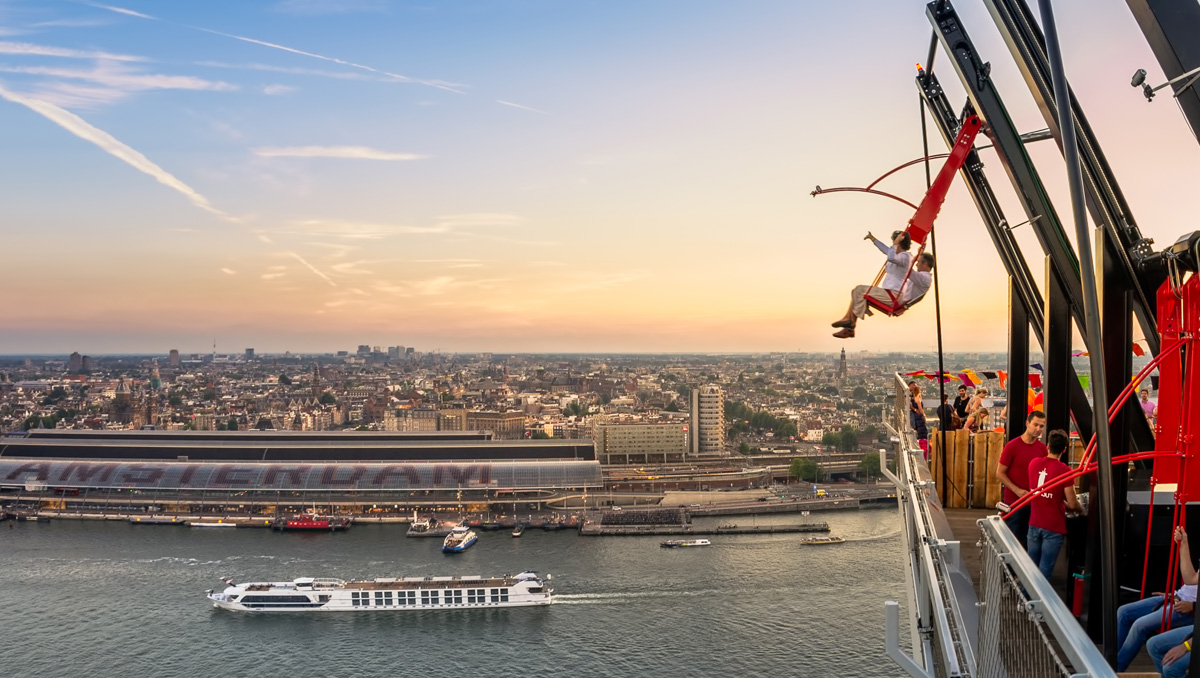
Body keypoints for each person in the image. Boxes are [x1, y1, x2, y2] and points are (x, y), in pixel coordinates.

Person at [832, 233, 933, 339]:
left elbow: (892, 259)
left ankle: (850, 324)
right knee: (856, 291)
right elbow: (887, 251)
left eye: (894, 242)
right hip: (891, 294)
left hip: (894, 296)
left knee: (859, 290)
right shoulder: (901, 257)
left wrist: (897, 245)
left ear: (899, 242)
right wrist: (873, 239)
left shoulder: (907, 258)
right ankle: (849, 325)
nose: (916, 264)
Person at [1126, 526, 1198, 673]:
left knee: (1171, 666)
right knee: (1153, 644)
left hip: (1187, 609)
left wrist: (1187, 646)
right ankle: (1112, 666)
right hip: (1179, 599)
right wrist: (1183, 544)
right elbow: (1191, 579)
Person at [1025, 429, 1080, 580]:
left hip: (1034, 523)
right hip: (1053, 527)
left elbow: (1038, 491)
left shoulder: (1033, 464)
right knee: (1045, 570)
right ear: (1065, 449)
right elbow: (1073, 503)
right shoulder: (1065, 471)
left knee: (1030, 568)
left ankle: (1024, 601)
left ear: (1047, 445)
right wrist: (1078, 509)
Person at [996, 410, 1047, 548]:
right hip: (1014, 503)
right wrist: (1017, 490)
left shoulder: (1042, 449)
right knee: (1013, 543)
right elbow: (1000, 473)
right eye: (1035, 425)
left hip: (1034, 504)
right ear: (1027, 423)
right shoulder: (1012, 446)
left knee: (1031, 543)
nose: (1038, 429)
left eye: (1041, 426)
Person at [908, 382, 929, 457]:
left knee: (917, 434)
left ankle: (919, 449)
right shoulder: (917, 396)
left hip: (914, 417)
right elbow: (919, 406)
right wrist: (923, 415)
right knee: (922, 434)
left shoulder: (910, 397)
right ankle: (924, 451)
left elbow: (910, 406)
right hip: (918, 418)